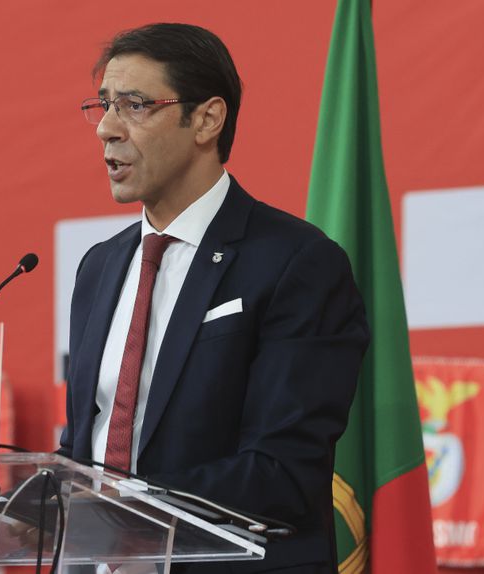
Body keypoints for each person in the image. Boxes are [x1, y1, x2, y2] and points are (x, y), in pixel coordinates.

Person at [58, 23, 369, 574]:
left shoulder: (296, 262)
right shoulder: (99, 267)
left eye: (134, 105)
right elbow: (87, 445)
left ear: (207, 119)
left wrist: (126, 512)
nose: (106, 128)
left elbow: (283, 471)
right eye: (103, 105)